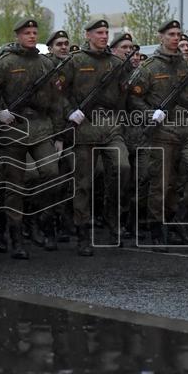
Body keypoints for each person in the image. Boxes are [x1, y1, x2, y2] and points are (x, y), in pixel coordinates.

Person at [127, 20, 188, 251]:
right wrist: (150, 114)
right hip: (161, 133)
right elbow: (133, 99)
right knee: (160, 184)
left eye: (178, 34)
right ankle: (157, 227)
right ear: (161, 36)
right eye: (171, 34)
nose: (175, 38)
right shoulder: (149, 67)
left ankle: (179, 215)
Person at [0, 18, 65, 259]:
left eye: (34, 32)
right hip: (14, 129)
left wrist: (59, 134)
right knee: (14, 185)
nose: (32, 36)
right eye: (27, 33)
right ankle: (15, 235)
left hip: (41, 127)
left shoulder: (45, 63)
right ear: (18, 35)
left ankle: (36, 218)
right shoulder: (6, 62)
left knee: (51, 175)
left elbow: (56, 102)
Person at [60, 19, 131, 255]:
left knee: (121, 168)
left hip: (110, 126)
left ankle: (112, 220)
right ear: (88, 35)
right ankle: (83, 231)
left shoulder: (116, 63)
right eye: (99, 32)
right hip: (85, 128)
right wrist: (70, 111)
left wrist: (119, 118)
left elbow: (125, 95)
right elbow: (59, 93)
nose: (104, 36)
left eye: (106, 32)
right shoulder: (75, 61)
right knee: (84, 183)